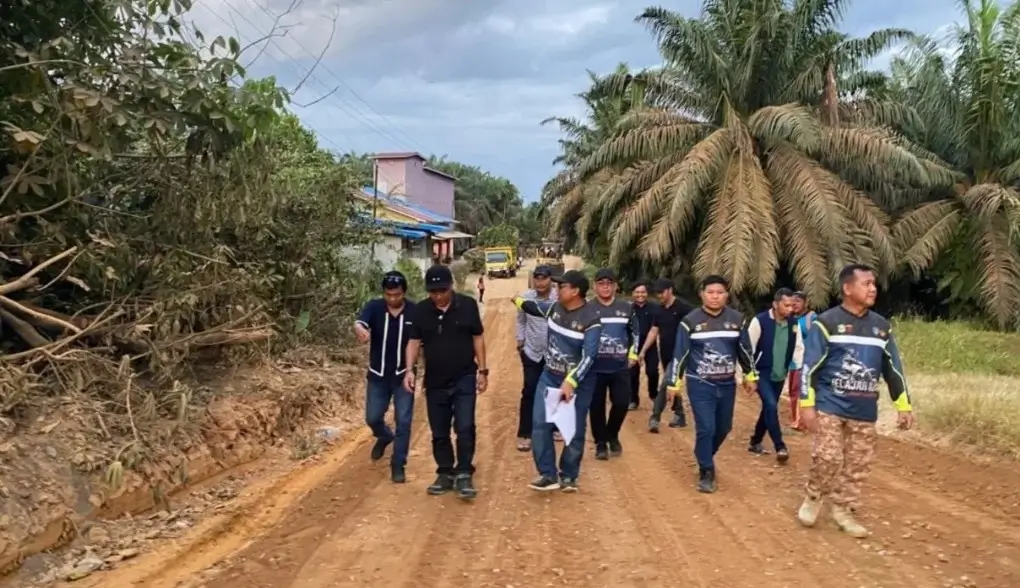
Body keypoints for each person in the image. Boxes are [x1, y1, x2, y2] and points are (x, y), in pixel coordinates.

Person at [796, 264, 914, 538]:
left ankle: (843, 509)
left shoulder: (881, 328)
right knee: (828, 457)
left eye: (874, 284)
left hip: (864, 408)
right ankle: (813, 496)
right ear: (847, 288)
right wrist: (807, 404)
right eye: (866, 283)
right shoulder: (827, 323)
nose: (873, 288)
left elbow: (893, 369)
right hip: (829, 404)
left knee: (857, 464)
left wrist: (903, 406)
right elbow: (810, 366)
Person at [664, 275, 758, 493]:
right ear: (702, 294)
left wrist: (750, 375)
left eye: (720, 293)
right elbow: (681, 353)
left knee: (724, 427)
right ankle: (707, 470)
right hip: (700, 384)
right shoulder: (690, 321)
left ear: (726, 295)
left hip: (726, 384)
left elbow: (745, 350)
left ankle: (703, 454)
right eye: (711, 292)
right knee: (706, 427)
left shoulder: (737, 320)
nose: (715, 297)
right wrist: (673, 383)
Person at [513, 270, 602, 492]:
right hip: (549, 375)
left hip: (577, 383)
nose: (557, 289)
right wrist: (517, 300)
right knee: (540, 425)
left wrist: (571, 381)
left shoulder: (591, 320)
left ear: (575, 291)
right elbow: (533, 307)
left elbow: (589, 356)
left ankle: (569, 475)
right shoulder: (554, 308)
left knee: (571, 429)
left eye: (562, 286)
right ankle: (547, 474)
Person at [404, 264, 488, 500]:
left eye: (442, 290)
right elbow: (413, 341)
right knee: (439, 431)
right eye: (433, 292)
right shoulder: (421, 310)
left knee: (464, 426)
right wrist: (409, 370)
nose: (438, 296)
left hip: (464, 376)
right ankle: (444, 472)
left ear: (451, 286)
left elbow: (478, 337)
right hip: (435, 381)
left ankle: (463, 472)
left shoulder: (468, 305)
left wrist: (483, 370)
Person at [353, 271, 417, 483]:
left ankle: (398, 464)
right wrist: (360, 330)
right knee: (372, 417)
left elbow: (420, 341)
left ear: (404, 293)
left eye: (397, 295)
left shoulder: (415, 312)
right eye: (389, 295)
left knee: (404, 422)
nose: (393, 299)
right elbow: (360, 323)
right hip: (378, 375)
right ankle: (384, 436)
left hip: (403, 376)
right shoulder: (374, 307)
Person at [745, 288, 804, 464]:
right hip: (761, 372)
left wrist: (800, 368)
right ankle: (780, 446)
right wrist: (749, 375)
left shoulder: (794, 324)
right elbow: (748, 348)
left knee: (768, 408)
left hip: (780, 373)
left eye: (792, 306)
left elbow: (798, 347)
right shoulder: (760, 321)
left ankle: (755, 441)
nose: (790, 309)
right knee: (770, 405)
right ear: (775, 304)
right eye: (786, 305)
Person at [588, 268, 640, 460]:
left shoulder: (626, 307)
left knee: (621, 403)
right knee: (596, 406)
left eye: (609, 283)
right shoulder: (587, 308)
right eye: (601, 283)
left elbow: (635, 331)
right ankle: (600, 443)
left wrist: (633, 354)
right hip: (594, 368)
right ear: (595, 286)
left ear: (616, 286)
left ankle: (612, 434)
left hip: (619, 366)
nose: (605, 287)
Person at [639, 278, 694, 432]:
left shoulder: (684, 308)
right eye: (657, 293)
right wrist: (643, 351)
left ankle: (655, 417)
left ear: (670, 290)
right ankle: (680, 414)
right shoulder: (660, 309)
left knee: (667, 383)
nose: (660, 296)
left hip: (681, 355)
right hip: (665, 352)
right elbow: (654, 330)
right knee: (672, 383)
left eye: (662, 292)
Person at [515, 265, 558, 452]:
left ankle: (556, 428)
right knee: (530, 390)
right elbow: (521, 321)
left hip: (555, 353)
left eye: (544, 278)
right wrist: (521, 342)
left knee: (555, 390)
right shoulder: (525, 298)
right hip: (531, 351)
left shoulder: (559, 298)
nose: (540, 282)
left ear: (551, 280)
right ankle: (525, 433)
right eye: (537, 278)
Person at [787, 291, 817, 430]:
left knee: (801, 391)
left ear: (806, 303)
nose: (794, 304)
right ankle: (795, 419)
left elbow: (815, 339)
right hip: (792, 361)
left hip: (806, 361)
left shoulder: (811, 318)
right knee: (793, 392)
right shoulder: (790, 318)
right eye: (792, 301)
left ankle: (802, 422)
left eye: (798, 301)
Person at [628, 280, 659, 411]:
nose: (640, 294)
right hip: (632, 346)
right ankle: (633, 399)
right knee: (632, 374)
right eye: (637, 292)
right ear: (633, 293)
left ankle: (653, 394)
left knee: (652, 371)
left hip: (650, 345)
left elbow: (655, 329)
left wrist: (644, 351)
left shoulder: (655, 308)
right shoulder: (628, 309)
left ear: (647, 293)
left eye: (643, 292)